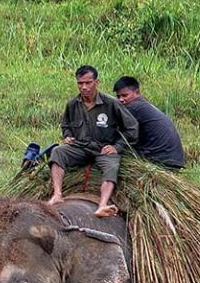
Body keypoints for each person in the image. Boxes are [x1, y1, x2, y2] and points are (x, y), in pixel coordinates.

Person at [46, 64, 138, 217]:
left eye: (88, 83)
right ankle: (57, 194)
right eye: (80, 83)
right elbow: (66, 124)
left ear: (97, 82)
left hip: (103, 149)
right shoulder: (72, 104)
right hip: (81, 147)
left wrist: (117, 147)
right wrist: (67, 135)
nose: (84, 87)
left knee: (111, 166)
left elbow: (132, 127)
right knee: (57, 152)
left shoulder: (111, 103)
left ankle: (102, 204)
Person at [113, 76, 185, 170]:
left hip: (161, 160)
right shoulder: (143, 105)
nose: (121, 100)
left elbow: (114, 131)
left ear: (137, 92)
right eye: (118, 96)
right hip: (173, 159)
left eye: (125, 95)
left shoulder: (134, 107)